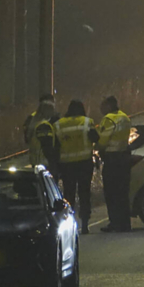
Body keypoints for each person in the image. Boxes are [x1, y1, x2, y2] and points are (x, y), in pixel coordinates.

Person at [55, 100, 100, 233]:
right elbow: (96, 138)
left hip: (66, 165)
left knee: (69, 194)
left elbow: (55, 145)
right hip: (84, 163)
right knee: (84, 193)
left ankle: (69, 223)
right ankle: (85, 224)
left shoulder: (59, 125)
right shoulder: (87, 122)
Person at [96, 96, 133, 233]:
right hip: (123, 158)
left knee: (111, 193)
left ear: (109, 106)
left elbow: (103, 141)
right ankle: (125, 223)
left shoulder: (108, 119)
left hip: (112, 160)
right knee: (123, 193)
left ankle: (114, 222)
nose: (101, 109)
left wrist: (96, 143)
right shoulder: (125, 117)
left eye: (103, 106)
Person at [28, 98, 60, 170]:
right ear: (47, 111)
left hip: (37, 162)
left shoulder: (35, 124)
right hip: (45, 164)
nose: (54, 112)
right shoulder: (44, 126)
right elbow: (47, 147)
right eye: (52, 110)